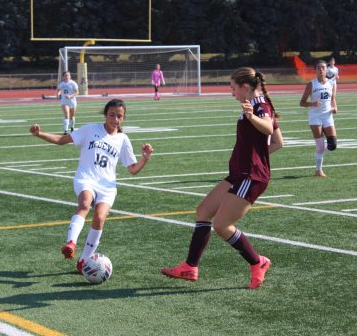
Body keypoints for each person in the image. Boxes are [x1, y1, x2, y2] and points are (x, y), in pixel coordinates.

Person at [161, 67, 283, 289]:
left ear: (245, 87)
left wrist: (252, 118)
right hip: (239, 173)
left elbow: (266, 128)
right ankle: (190, 266)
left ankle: (258, 262)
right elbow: (278, 142)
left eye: (233, 88)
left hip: (251, 177)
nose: (231, 92)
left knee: (222, 225)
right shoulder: (256, 105)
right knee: (203, 211)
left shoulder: (259, 105)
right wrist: (254, 155)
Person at [29, 99, 154, 272]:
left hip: (108, 186)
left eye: (119, 116)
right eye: (112, 115)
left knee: (100, 218)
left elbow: (133, 169)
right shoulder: (90, 129)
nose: (115, 119)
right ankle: (71, 243)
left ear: (123, 118)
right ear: (105, 114)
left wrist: (145, 158)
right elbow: (60, 140)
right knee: (85, 203)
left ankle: (83, 260)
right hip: (86, 178)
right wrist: (39, 134)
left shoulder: (123, 139)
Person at [300, 59, 338, 177]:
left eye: (323, 67)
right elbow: (302, 103)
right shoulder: (311, 84)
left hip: (327, 115)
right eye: (318, 67)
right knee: (321, 145)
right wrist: (312, 104)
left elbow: (332, 99)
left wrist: (335, 107)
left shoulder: (331, 83)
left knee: (333, 145)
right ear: (315, 70)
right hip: (315, 117)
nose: (321, 69)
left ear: (327, 69)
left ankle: (319, 153)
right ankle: (318, 170)